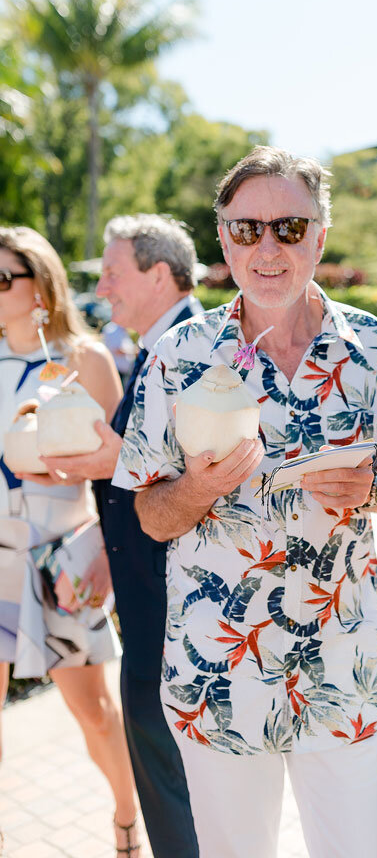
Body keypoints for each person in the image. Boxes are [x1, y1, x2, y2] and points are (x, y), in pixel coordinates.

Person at [111, 146, 377, 858]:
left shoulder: (374, 349)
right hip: (219, 671)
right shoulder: (178, 354)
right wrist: (200, 487)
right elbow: (148, 514)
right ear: (223, 242)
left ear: (322, 236)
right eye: (247, 230)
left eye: (290, 228)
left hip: (340, 666)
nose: (268, 247)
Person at [37, 215, 202, 858]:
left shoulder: (193, 344)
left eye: (113, 271)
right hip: (144, 592)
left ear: (158, 274)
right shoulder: (161, 343)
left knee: (171, 778)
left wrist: (113, 461)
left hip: (172, 609)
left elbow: (198, 468)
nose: (102, 286)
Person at [0, 226, 142, 857]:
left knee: (91, 710)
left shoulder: (86, 359)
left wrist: (100, 551)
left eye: (5, 278)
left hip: (65, 553)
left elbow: (122, 474)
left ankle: (126, 817)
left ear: (40, 284)